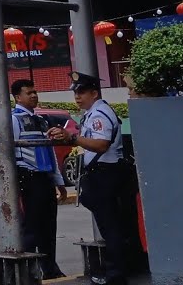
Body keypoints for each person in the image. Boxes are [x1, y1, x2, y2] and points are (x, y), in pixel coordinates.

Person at [50, 71, 127, 285]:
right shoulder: (93, 113)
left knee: (110, 228)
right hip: (100, 174)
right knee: (109, 225)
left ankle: (115, 275)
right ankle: (114, 272)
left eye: (82, 92)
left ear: (94, 93)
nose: (77, 96)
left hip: (106, 173)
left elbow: (101, 145)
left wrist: (73, 138)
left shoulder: (100, 114)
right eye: (75, 92)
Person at [10, 79, 68, 279]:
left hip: (45, 179)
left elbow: (50, 152)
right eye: (29, 93)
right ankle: (27, 272)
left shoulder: (41, 120)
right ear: (18, 97)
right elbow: (9, 153)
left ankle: (50, 269)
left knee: (49, 227)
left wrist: (59, 182)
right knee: (32, 227)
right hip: (29, 178)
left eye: (35, 92)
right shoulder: (14, 120)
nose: (34, 95)